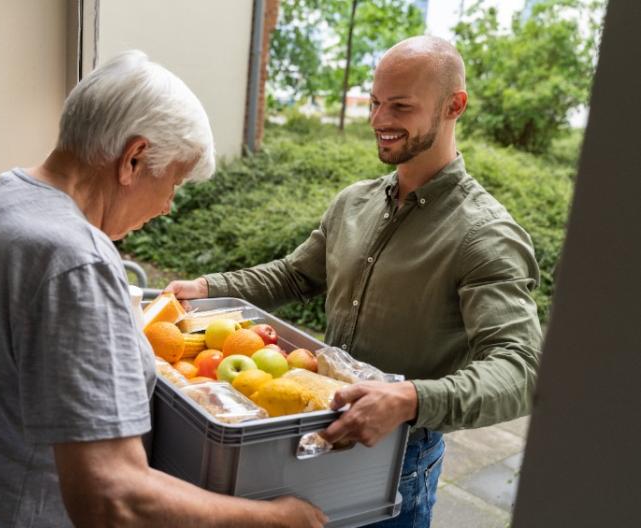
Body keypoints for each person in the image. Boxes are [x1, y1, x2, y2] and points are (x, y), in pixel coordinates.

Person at [0, 50, 326, 528]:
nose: (169, 206)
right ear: (133, 159)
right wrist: (276, 520)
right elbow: (112, 499)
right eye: (173, 181)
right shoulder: (76, 259)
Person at [166, 36, 542, 528]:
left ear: (455, 105)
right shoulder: (353, 202)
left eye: (401, 106)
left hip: (399, 462)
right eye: (376, 102)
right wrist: (208, 288)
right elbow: (295, 274)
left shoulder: (485, 235)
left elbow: (521, 370)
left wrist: (410, 398)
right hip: (310, 428)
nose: (379, 120)